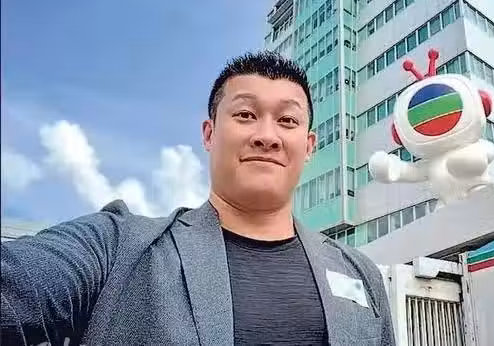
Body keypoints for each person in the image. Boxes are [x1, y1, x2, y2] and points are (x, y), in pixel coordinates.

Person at [1, 51, 396, 346]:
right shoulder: (117, 246)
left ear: (308, 146)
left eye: (287, 120)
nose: (267, 136)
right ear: (209, 134)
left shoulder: (361, 273)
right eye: (245, 115)